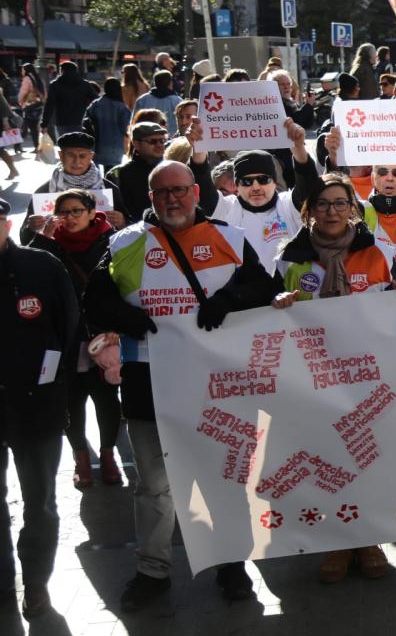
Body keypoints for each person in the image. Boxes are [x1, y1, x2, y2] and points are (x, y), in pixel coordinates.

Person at [83, 160, 279, 611]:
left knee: (225, 479)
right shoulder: (125, 243)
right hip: (147, 383)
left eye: (179, 190)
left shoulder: (229, 237)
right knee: (154, 486)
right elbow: (94, 300)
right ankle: (153, 571)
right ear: (150, 199)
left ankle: (232, 565)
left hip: (218, 383)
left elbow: (263, 288)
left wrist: (228, 299)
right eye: (161, 193)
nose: (172, 199)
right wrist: (126, 317)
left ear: (196, 191)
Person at [273, 173, 396, 582]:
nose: (332, 211)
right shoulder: (289, 257)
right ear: (309, 210)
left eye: (340, 203)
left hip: (368, 378)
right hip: (314, 380)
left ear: (352, 208)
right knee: (327, 461)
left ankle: (367, 538)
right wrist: (276, 303)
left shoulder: (376, 250)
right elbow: (265, 320)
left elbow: (395, 304)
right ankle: (336, 543)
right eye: (323, 204)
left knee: (369, 460)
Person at [0, 197, 78, 618]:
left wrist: (55, 387)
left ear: (6, 223)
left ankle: (35, 583)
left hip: (36, 405)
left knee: (40, 502)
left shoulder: (42, 266)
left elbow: (69, 328)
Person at [26, 190, 123, 490]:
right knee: (72, 400)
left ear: (93, 212)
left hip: (103, 337)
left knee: (107, 398)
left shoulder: (114, 241)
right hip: (65, 339)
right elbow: (27, 272)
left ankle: (108, 455)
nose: (70, 218)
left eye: (77, 211)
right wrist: (42, 238)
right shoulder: (48, 246)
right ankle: (81, 457)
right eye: (64, 212)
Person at [209, 122, 315, 273]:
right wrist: (199, 154)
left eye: (263, 179)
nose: (256, 187)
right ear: (237, 186)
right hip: (245, 293)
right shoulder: (228, 207)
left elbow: (307, 187)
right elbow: (206, 199)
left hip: (291, 291)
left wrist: (299, 149)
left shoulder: (287, 204)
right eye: (247, 181)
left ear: (274, 182)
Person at [21, 132, 128, 243]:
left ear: (91, 156)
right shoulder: (44, 191)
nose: (77, 161)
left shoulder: (108, 188)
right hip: (58, 252)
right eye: (71, 155)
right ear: (61, 156)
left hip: (100, 251)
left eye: (82, 156)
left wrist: (122, 223)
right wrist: (31, 228)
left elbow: (131, 233)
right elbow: (24, 239)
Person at [107, 121, 216, 223]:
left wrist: (199, 146)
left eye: (162, 141)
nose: (159, 145)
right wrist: (124, 221)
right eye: (153, 141)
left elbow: (200, 175)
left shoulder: (171, 168)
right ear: (136, 144)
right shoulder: (120, 174)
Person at [82, 78, 132, 169]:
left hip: (97, 143)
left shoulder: (96, 103)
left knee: (95, 170)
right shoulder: (121, 107)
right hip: (115, 144)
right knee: (112, 172)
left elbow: (86, 120)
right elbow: (125, 126)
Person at [40, 61, 94, 138]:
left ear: (61, 71)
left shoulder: (55, 85)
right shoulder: (85, 84)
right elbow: (95, 101)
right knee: (78, 146)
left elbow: (49, 105)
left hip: (61, 121)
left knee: (64, 145)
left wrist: (44, 124)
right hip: (80, 120)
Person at [134, 70, 183, 135]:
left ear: (155, 82)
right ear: (170, 83)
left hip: (146, 138)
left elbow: (135, 121)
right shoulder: (178, 101)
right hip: (171, 139)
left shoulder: (142, 100)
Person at [19, 62, 47, 145]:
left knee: (26, 126)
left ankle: (18, 145)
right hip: (38, 105)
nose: (22, 72)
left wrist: (21, 102)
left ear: (26, 70)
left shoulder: (27, 78)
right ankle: (36, 146)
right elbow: (44, 92)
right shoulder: (38, 78)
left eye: (22, 70)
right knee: (34, 127)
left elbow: (23, 92)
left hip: (29, 106)